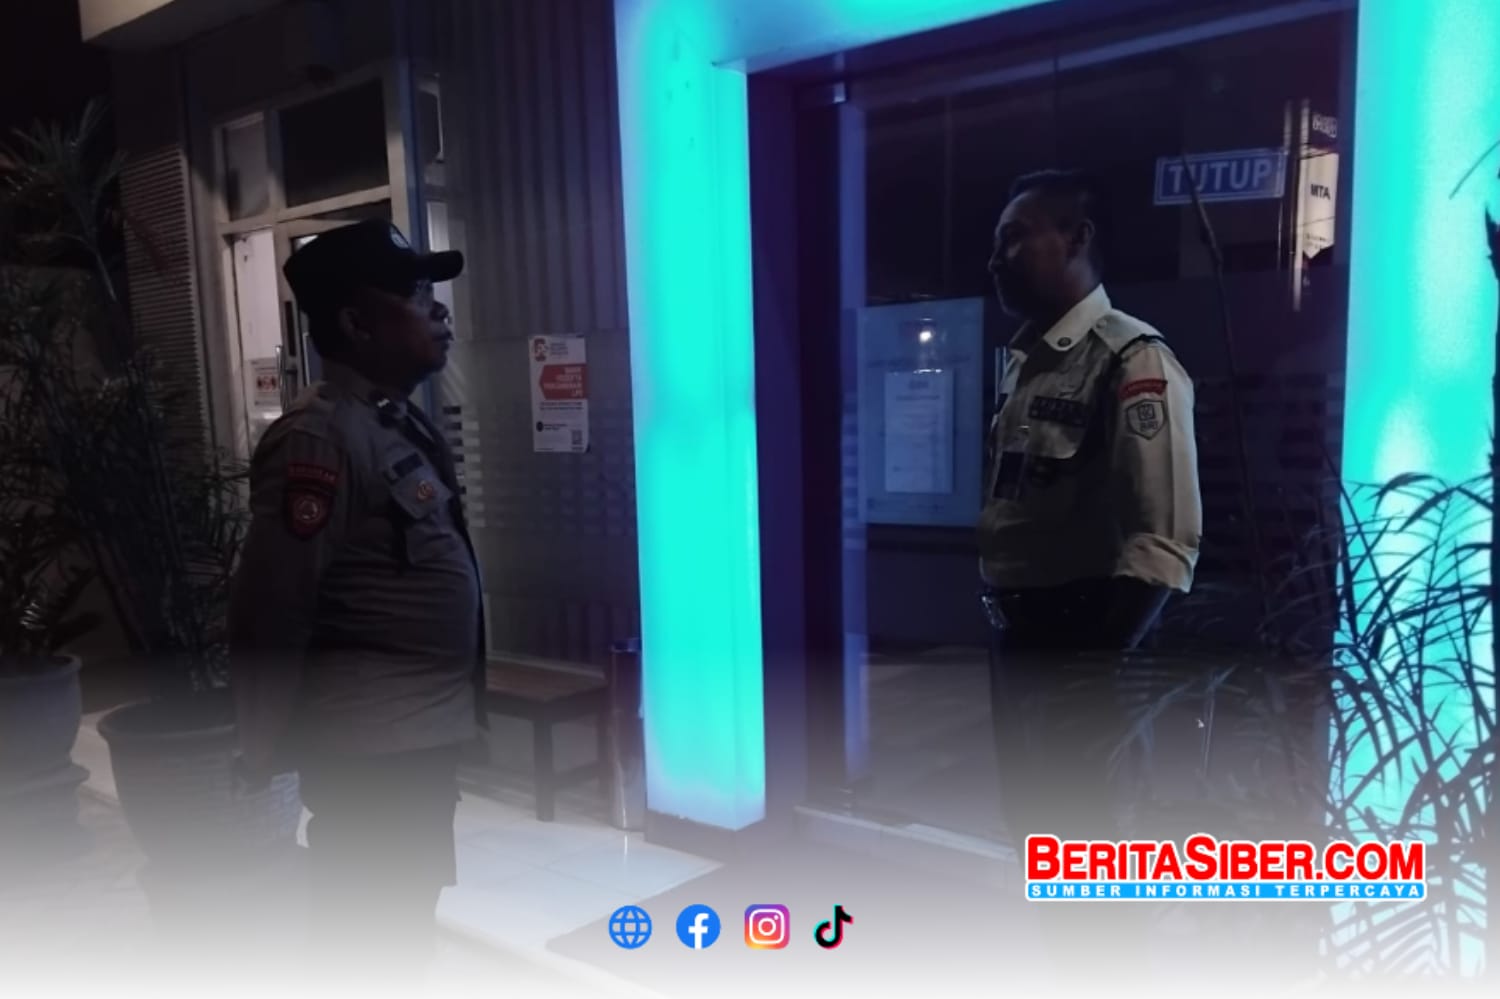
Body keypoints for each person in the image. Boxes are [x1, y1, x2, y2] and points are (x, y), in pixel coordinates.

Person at [227, 218, 485, 990]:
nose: (438, 309)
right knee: (369, 935)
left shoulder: (391, 420)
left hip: (410, 744)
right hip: (372, 757)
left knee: (400, 922)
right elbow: (273, 606)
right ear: (355, 322)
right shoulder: (321, 438)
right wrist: (260, 743)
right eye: (413, 293)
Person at [978, 170, 1202, 985]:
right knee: (1039, 843)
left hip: (1082, 652)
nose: (997, 258)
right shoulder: (1028, 363)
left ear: (1077, 238)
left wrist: (1095, 669)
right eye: (996, 242)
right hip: (1019, 648)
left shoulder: (1131, 358)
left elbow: (1162, 541)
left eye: (1016, 237)